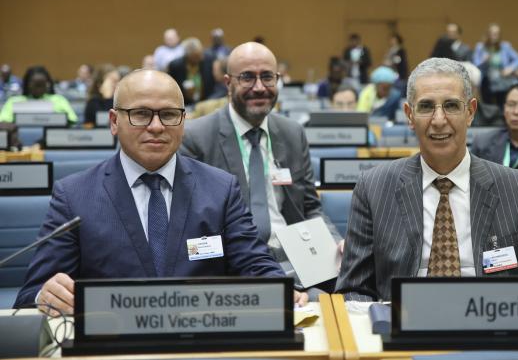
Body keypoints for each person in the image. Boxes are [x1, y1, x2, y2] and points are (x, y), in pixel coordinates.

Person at [14, 69, 306, 314]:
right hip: (112, 347)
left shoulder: (220, 188)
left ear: (183, 121)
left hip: (202, 342)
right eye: (141, 114)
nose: (156, 127)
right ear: (114, 122)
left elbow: (254, 264)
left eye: (168, 114)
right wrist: (46, 296)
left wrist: (279, 290)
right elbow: (32, 295)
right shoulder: (74, 196)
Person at [336, 58, 518, 301]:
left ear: (471, 112)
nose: (439, 120)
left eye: (452, 106)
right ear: (409, 116)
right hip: (401, 327)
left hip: (493, 327)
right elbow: (353, 288)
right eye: (426, 107)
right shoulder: (373, 188)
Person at [180, 42, 343, 292]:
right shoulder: (197, 138)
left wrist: (334, 242)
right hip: (232, 268)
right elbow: (190, 229)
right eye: (247, 77)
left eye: (267, 77)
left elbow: (310, 207)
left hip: (297, 261)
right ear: (227, 83)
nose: (259, 87)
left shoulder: (292, 133)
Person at [0, 66, 78, 124]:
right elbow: (3, 123)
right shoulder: (14, 101)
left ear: (48, 84)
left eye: (42, 85)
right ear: (27, 84)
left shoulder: (59, 100)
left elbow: (71, 121)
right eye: (36, 85)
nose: (38, 89)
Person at [473, 23, 518, 106]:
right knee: (488, 107)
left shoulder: (505, 46)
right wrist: (483, 61)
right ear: (488, 34)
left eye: (496, 34)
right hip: (486, 81)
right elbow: (475, 65)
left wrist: (510, 68)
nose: (494, 36)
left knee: (502, 105)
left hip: (502, 80)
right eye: (492, 34)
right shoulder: (480, 47)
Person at [168, 37, 216, 105]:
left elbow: (216, 84)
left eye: (201, 54)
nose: (201, 58)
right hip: (185, 104)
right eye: (197, 56)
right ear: (187, 55)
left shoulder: (209, 60)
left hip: (206, 102)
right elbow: (172, 88)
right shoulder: (175, 66)